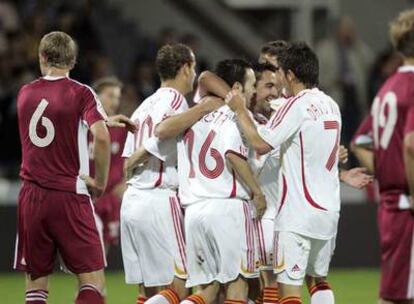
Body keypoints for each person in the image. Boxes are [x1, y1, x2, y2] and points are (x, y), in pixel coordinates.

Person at [225, 42, 341, 304]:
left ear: (290, 75)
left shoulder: (295, 105)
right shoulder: (331, 105)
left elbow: (260, 143)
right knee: (319, 281)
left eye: (281, 75)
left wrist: (240, 110)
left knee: (287, 291)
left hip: (298, 215)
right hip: (329, 211)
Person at [120, 43, 223, 304]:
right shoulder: (176, 100)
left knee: (150, 290)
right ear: (186, 67)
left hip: (132, 202)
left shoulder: (143, 106)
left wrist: (140, 155)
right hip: (158, 199)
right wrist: (202, 108)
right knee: (181, 285)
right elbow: (164, 130)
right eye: (194, 66)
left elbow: (125, 163)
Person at [13, 31, 111, 304]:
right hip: (69, 193)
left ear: (42, 57)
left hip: (31, 196)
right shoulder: (81, 93)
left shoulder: (25, 93)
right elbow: (101, 136)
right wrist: (99, 182)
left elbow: (53, 122)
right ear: (73, 60)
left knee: (36, 286)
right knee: (93, 284)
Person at [171, 59, 265, 304]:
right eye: (252, 84)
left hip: (194, 211)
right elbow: (232, 154)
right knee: (237, 287)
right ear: (236, 86)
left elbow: (204, 78)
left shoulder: (198, 112)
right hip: (228, 209)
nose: (254, 90)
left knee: (209, 291)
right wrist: (257, 192)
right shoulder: (234, 116)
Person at [351, 9, 414, 304]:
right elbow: (412, 145)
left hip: (390, 203)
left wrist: (388, 170)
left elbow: (361, 142)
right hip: (406, 206)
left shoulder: (386, 88)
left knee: (396, 292)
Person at [89, 76, 127, 254]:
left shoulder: (122, 129)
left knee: (103, 252)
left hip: (111, 197)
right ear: (97, 96)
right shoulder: (83, 125)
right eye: (110, 96)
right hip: (87, 196)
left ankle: (95, 283)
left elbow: (130, 159)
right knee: (89, 253)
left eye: (117, 97)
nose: (115, 101)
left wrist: (126, 182)